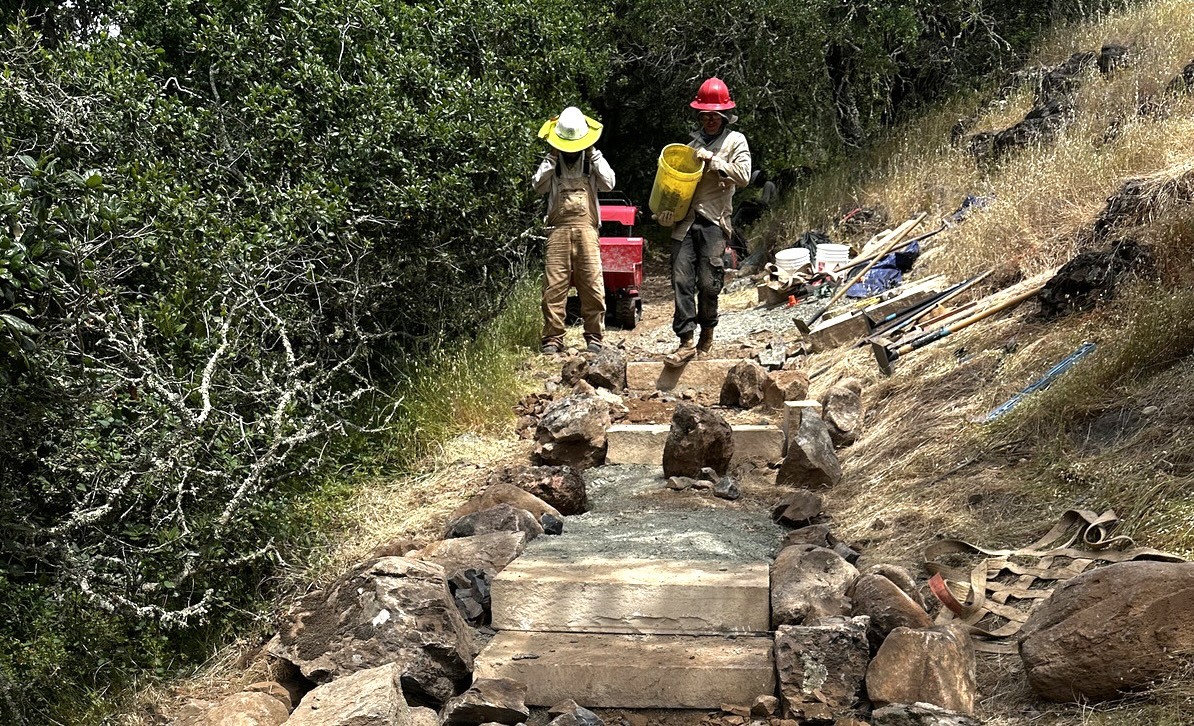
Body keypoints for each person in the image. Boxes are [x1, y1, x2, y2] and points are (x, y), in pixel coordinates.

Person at [656, 77, 751, 365]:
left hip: (714, 222)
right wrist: (664, 213)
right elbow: (674, 188)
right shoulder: (690, 147)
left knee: (709, 284)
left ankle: (707, 333)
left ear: (725, 116)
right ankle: (685, 341)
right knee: (681, 279)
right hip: (685, 223)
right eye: (705, 115)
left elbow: (744, 176)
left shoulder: (735, 141)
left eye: (715, 115)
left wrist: (714, 161)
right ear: (699, 116)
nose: (710, 120)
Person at [533, 106, 616, 355]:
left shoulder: (591, 162)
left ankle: (594, 336)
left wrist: (594, 153)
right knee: (553, 287)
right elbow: (537, 185)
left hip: (587, 231)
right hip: (557, 230)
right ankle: (553, 338)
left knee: (592, 284)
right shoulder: (553, 164)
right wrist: (551, 157)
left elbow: (609, 183)